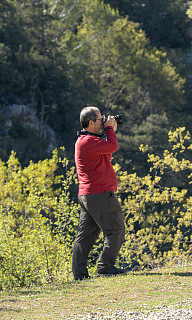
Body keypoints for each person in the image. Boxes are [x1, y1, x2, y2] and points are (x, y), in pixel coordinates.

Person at [71, 106, 126, 280]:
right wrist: (110, 129)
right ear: (91, 122)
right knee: (116, 230)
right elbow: (113, 146)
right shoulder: (88, 141)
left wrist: (109, 129)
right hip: (99, 193)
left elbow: (107, 152)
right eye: (99, 118)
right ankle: (105, 267)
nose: (102, 120)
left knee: (85, 236)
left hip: (88, 194)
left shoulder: (85, 140)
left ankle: (79, 275)